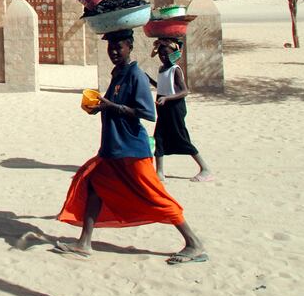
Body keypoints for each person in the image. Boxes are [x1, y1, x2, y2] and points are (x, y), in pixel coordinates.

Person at [54, 29, 207, 264]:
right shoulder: (119, 73)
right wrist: (98, 107)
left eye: (119, 47)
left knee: (155, 195)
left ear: (129, 48)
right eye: (110, 47)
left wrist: (111, 107)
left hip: (131, 150)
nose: (114, 51)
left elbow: (147, 113)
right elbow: (112, 102)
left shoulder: (135, 74)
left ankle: (194, 242)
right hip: (113, 147)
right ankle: (84, 243)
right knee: (93, 185)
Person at [151, 39, 213, 182]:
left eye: (166, 54)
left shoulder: (175, 69)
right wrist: (148, 80)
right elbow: (161, 86)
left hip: (174, 108)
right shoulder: (162, 69)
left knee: (181, 137)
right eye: (161, 54)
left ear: (174, 54)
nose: (163, 57)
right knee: (159, 138)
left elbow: (184, 91)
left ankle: (205, 169)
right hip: (163, 109)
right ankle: (159, 172)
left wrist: (168, 98)